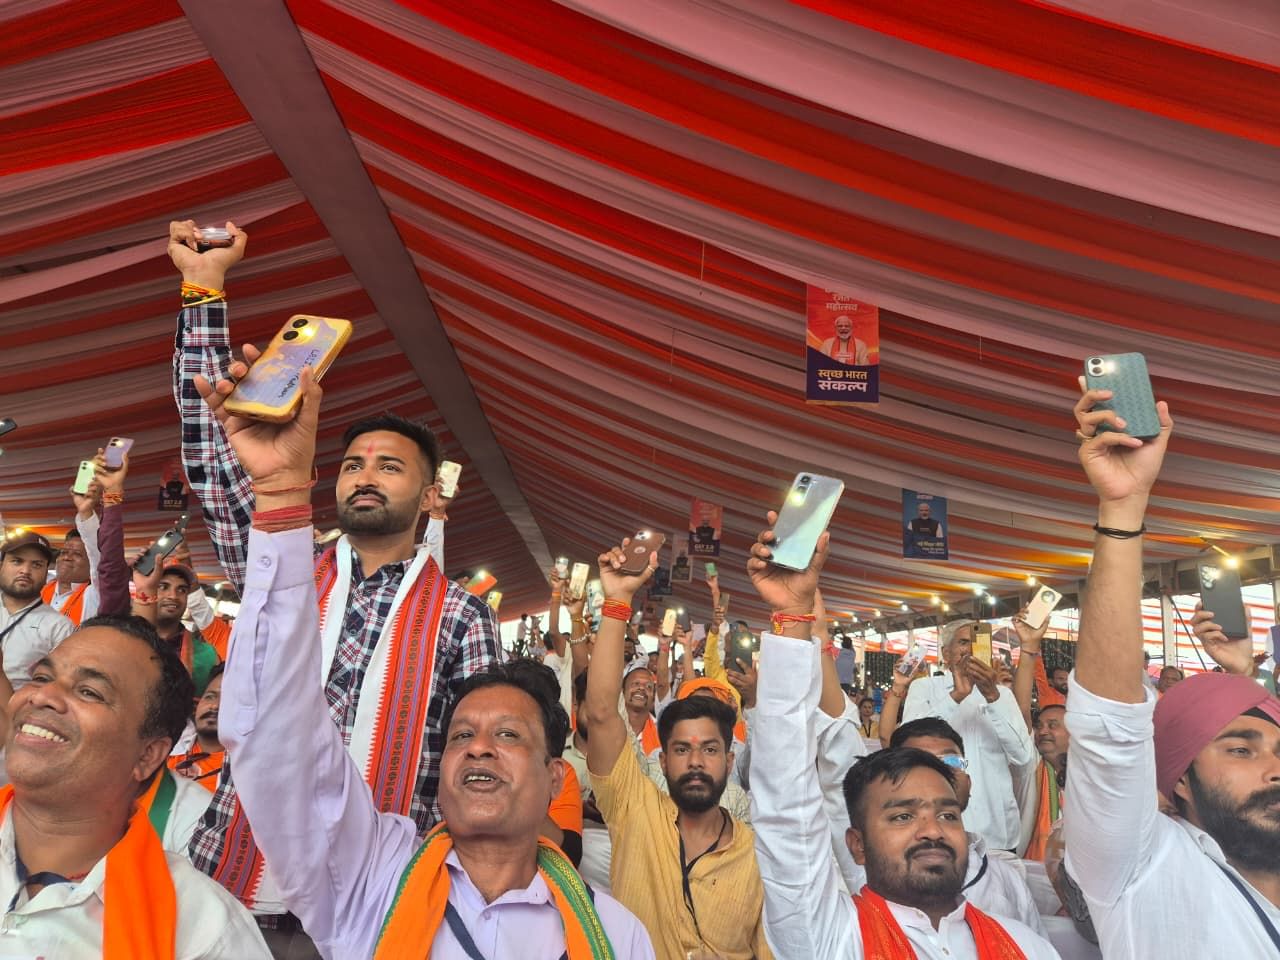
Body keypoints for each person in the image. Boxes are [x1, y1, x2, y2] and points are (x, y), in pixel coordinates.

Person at [170, 220, 501, 932]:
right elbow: (213, 458)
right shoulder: (285, 574)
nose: (366, 477)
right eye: (353, 464)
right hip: (233, 883)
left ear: (427, 496)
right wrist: (205, 293)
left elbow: (477, 756)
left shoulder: (461, 614)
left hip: (373, 902)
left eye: (389, 466)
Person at [218, 503, 653, 958]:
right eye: (461, 736)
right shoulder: (373, 877)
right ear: (438, 769)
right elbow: (282, 730)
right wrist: (279, 498)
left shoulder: (617, 936)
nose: (479, 748)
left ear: (555, 777)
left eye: (508, 735)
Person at [745, 510, 1058, 958]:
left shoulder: (1026, 947)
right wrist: (793, 621)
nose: (932, 830)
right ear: (856, 845)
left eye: (948, 815)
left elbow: (1022, 756)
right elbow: (784, 802)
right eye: (902, 816)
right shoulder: (832, 939)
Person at [1065, 379, 1280, 956]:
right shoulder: (1142, 869)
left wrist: (1243, 680)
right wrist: (1122, 509)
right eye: (1240, 750)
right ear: (1177, 779)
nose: (1275, 770)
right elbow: (1109, 728)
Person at [0, 614, 268, 957]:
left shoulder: (203, 928)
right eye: (41, 676)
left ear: (147, 755)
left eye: (89, 692)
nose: (42, 696)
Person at [584, 538, 772, 960]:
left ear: (729, 759)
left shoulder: (754, 854)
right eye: (682, 750)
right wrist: (617, 604)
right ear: (663, 759)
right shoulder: (635, 811)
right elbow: (599, 712)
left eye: (709, 749)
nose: (696, 762)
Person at [891, 719, 1047, 936]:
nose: (940, 773)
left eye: (952, 761)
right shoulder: (871, 870)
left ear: (968, 782)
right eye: (920, 763)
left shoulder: (1006, 879)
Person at [900, 619, 1037, 851]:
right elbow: (909, 749)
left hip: (997, 834)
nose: (972, 650)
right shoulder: (924, 688)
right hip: (936, 829)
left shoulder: (1002, 695)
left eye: (979, 643)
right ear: (946, 652)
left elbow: (1024, 760)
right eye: (964, 642)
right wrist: (956, 695)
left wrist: (993, 697)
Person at [0, 530, 74, 692]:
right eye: (17, 561)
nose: (25, 571)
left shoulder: (59, 627)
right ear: (2, 565)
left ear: (46, 572)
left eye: (37, 564)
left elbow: (60, 686)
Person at [170, 664, 227, 793]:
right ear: (197, 705)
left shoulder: (243, 777)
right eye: (210, 696)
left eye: (228, 699)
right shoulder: (166, 744)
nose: (214, 706)